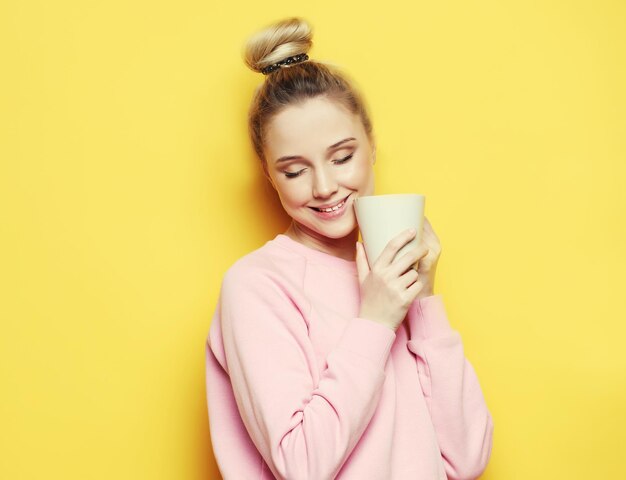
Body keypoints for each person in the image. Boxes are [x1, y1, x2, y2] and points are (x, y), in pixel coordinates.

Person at [205, 16, 494, 480]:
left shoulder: (386, 276)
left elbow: (468, 458)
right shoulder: (256, 286)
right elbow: (302, 466)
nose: (324, 186)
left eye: (342, 157)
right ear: (268, 174)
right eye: (294, 170)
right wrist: (376, 320)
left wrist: (421, 301)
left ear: (372, 146)